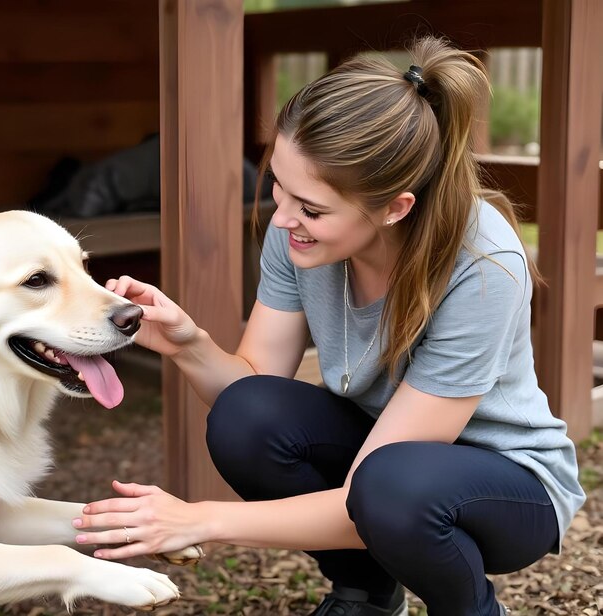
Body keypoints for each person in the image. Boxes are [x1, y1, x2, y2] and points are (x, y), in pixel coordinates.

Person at [69, 37, 586, 616]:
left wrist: (200, 518)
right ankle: (366, 595)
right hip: (383, 465)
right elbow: (254, 386)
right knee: (247, 415)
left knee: (391, 487)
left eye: (312, 209)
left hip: (508, 486)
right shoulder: (295, 237)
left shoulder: (481, 265)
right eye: (278, 187)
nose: (284, 219)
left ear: (396, 207)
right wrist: (189, 345)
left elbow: (371, 488)